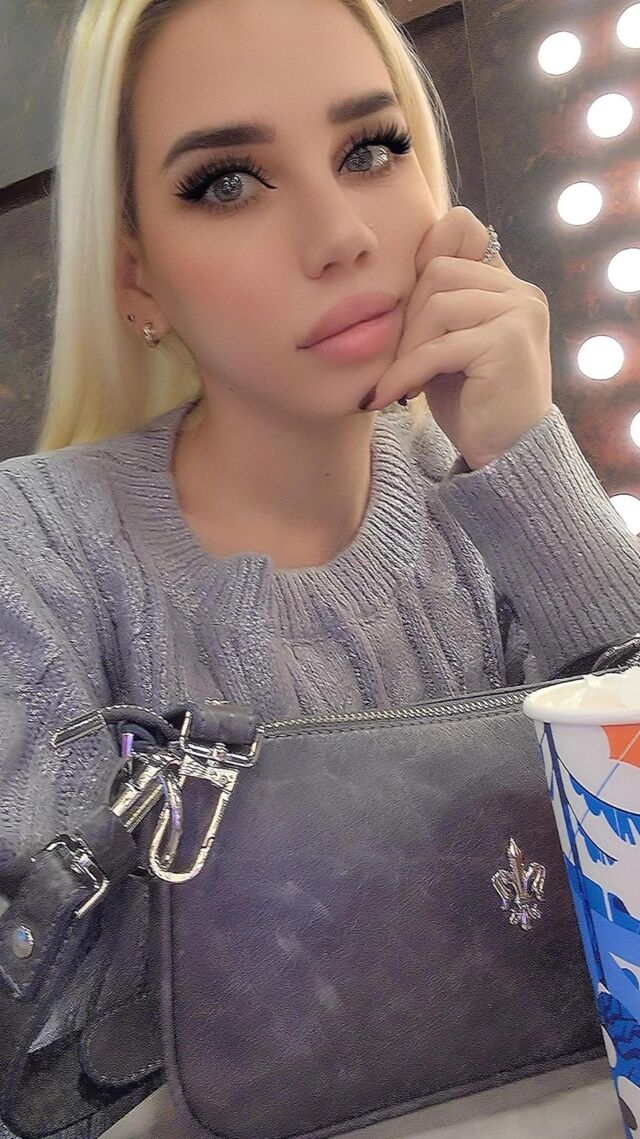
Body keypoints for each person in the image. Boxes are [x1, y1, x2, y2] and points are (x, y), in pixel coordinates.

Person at [0, 0, 638, 1136]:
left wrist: (531, 469)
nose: (341, 233)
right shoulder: (39, 554)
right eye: (227, 182)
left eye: (371, 149)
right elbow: (47, 1063)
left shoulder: (500, 498)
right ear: (136, 277)